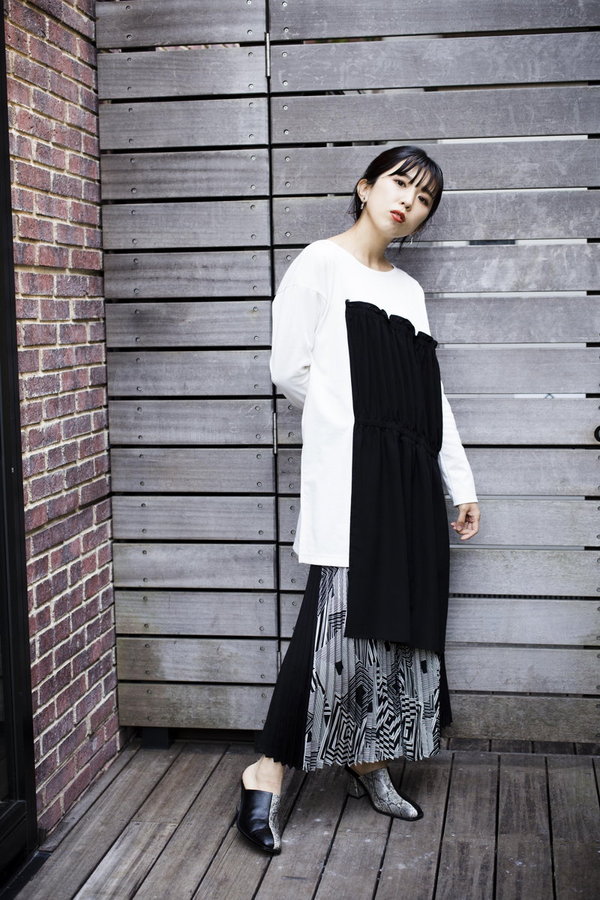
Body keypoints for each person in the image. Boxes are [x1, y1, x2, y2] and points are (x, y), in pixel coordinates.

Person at [235, 146, 481, 855]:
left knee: (391, 625)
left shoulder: (409, 291)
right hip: (353, 477)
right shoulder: (319, 264)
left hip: (409, 480)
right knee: (332, 621)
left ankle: (366, 759)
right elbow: (289, 368)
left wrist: (459, 482)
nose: (408, 202)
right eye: (400, 184)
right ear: (366, 187)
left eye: (424, 199)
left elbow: (430, 397)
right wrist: (355, 426)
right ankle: (266, 770)